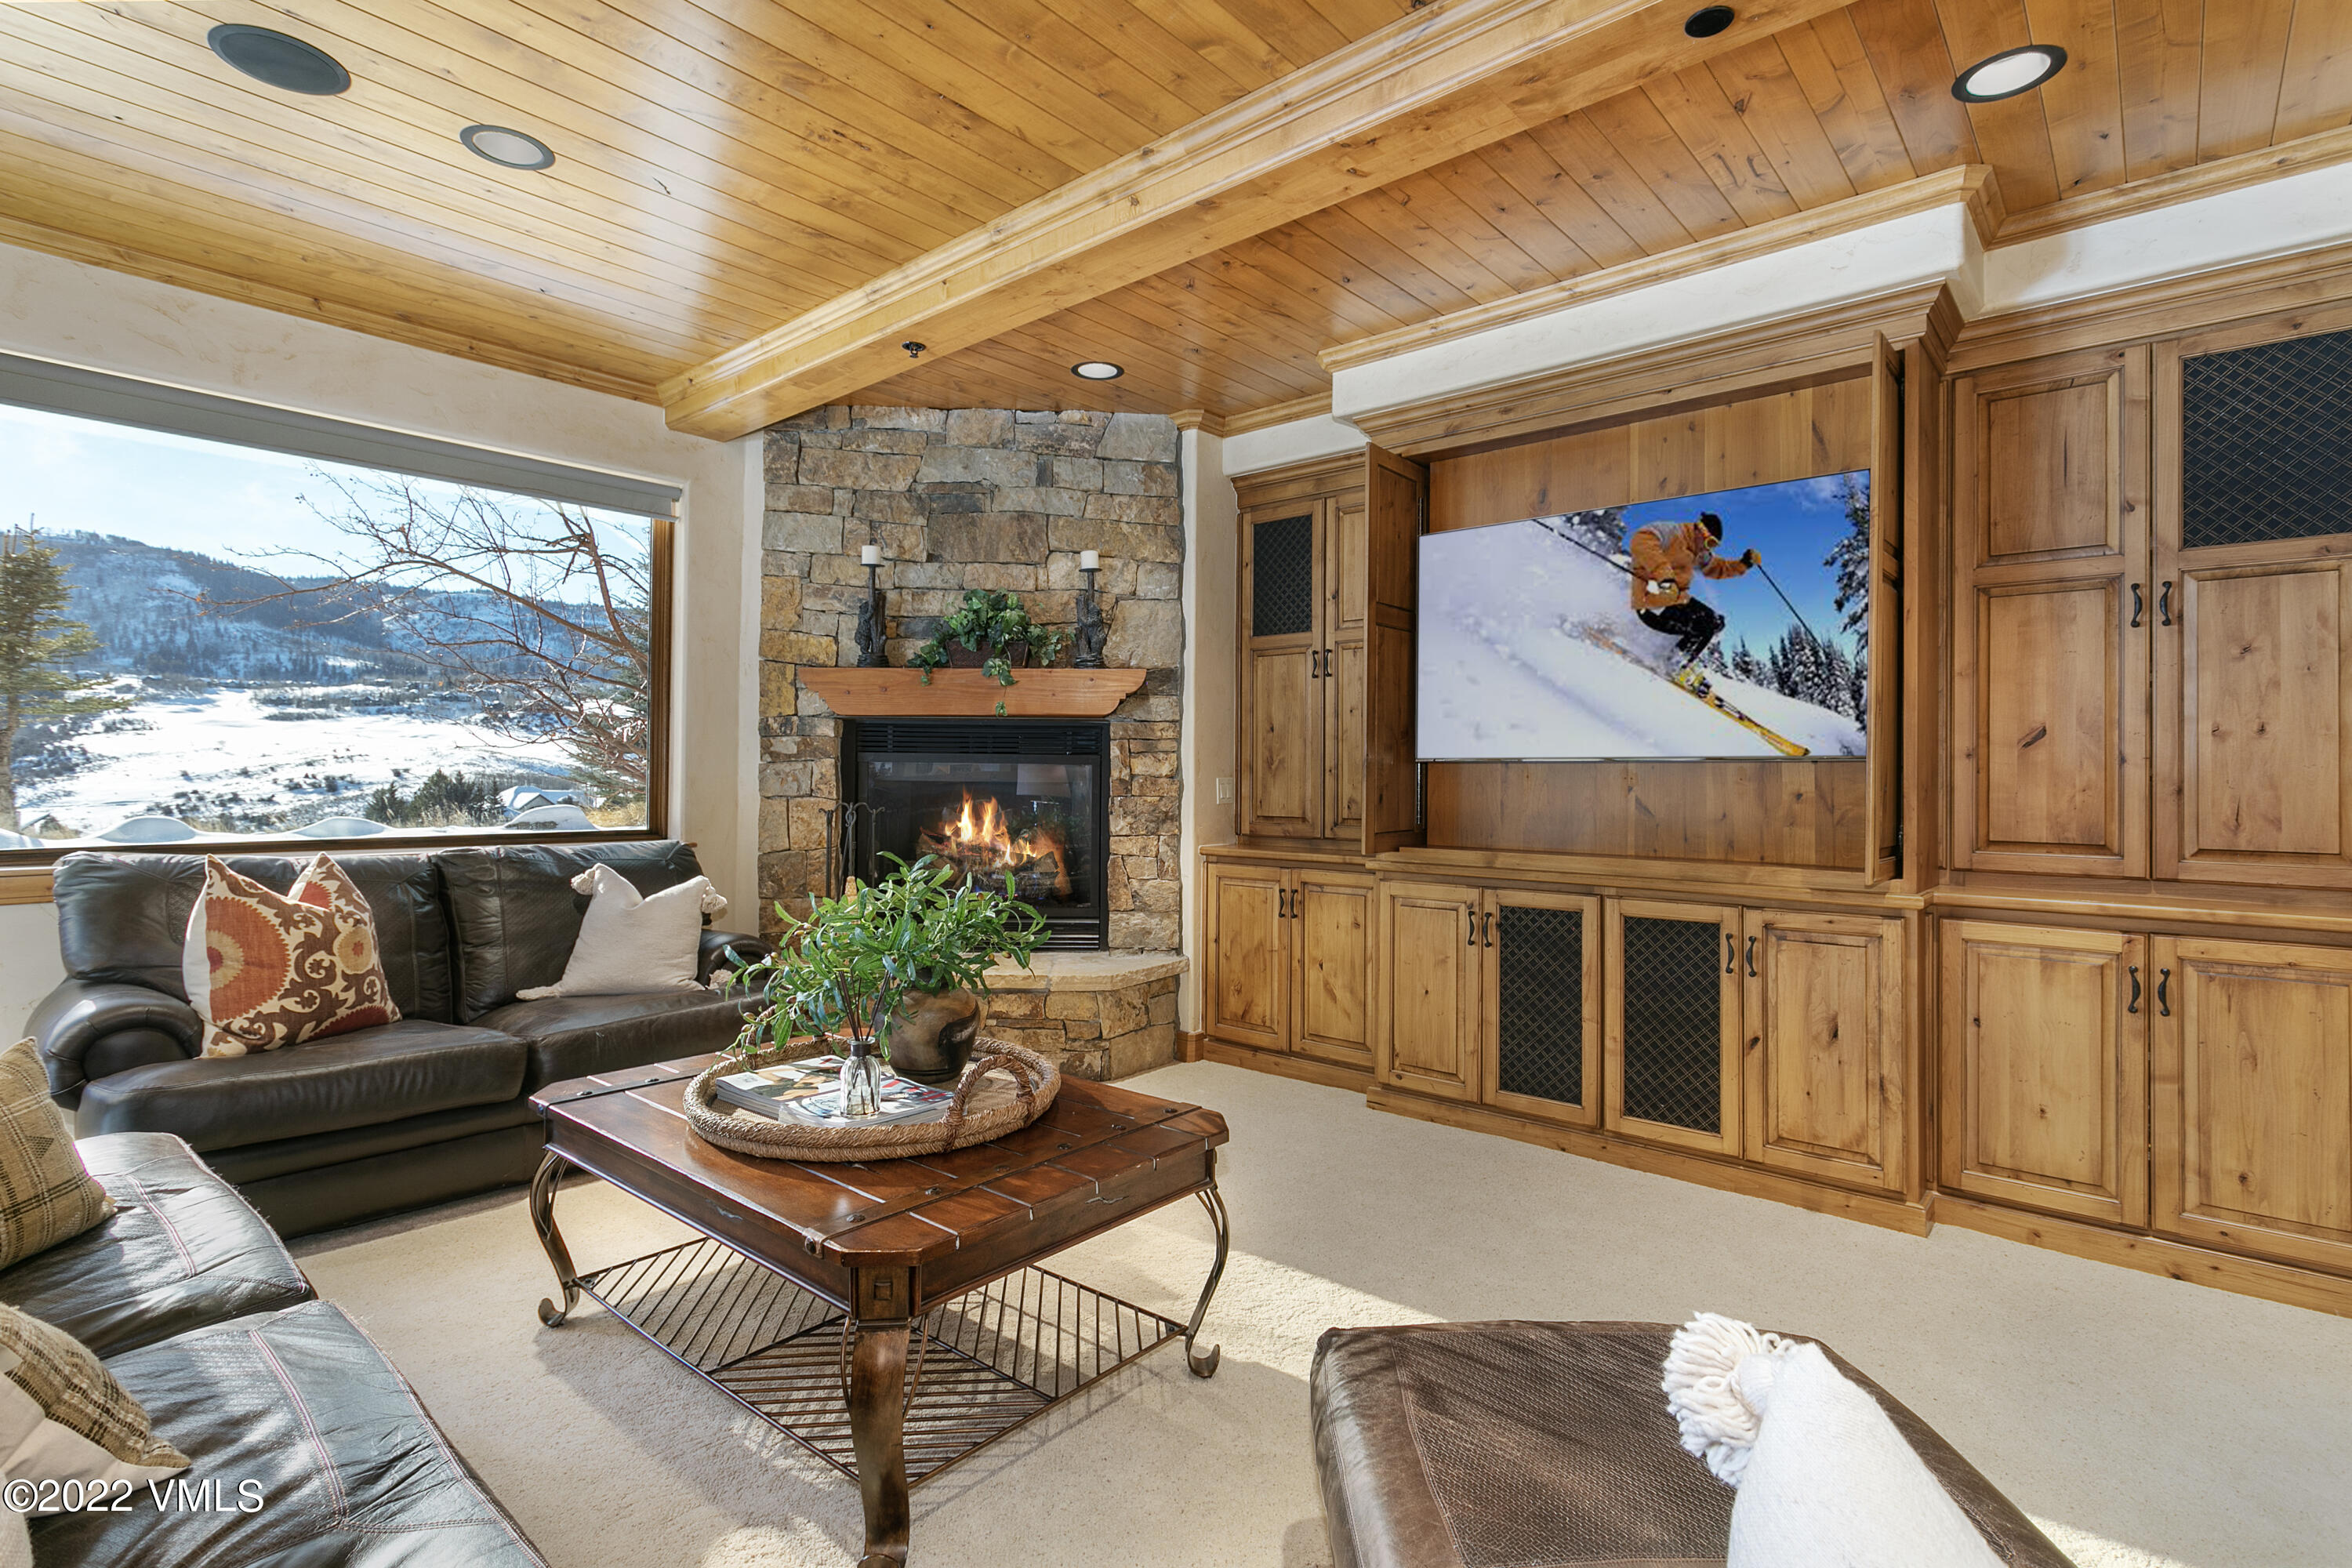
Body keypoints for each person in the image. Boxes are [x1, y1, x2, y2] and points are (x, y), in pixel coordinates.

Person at [1627, 510, 1759, 674]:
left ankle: (1672, 658)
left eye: (1713, 545)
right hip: (1651, 598)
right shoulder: (1672, 532)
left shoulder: (1698, 552)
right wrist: (1664, 576)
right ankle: (1673, 665)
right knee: (1706, 625)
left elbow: (1717, 568)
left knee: (1716, 622)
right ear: (1700, 530)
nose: (1708, 548)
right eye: (1710, 543)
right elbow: (1641, 541)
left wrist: (1744, 564)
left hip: (1674, 600)